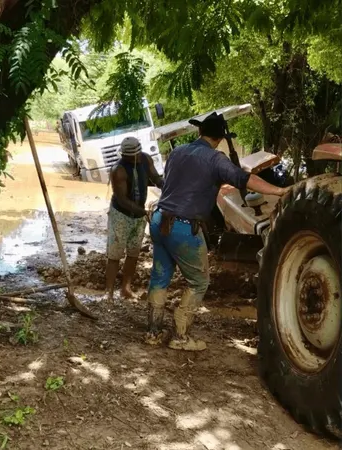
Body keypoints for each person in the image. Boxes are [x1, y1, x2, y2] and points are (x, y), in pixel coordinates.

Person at [145, 112, 288, 351]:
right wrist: (279, 192)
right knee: (199, 281)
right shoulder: (215, 159)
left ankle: (152, 332)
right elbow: (245, 179)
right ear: (220, 138)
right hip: (182, 226)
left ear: (200, 132)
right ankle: (180, 338)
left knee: (160, 276)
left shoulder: (177, 152)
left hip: (159, 220)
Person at [105, 137, 164, 301]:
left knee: (133, 253)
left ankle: (126, 288)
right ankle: (108, 292)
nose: (135, 158)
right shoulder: (118, 170)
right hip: (121, 215)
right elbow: (122, 199)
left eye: (137, 155)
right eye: (131, 157)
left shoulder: (146, 159)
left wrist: (165, 186)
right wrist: (143, 211)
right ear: (124, 156)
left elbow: (155, 177)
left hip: (138, 214)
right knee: (115, 254)